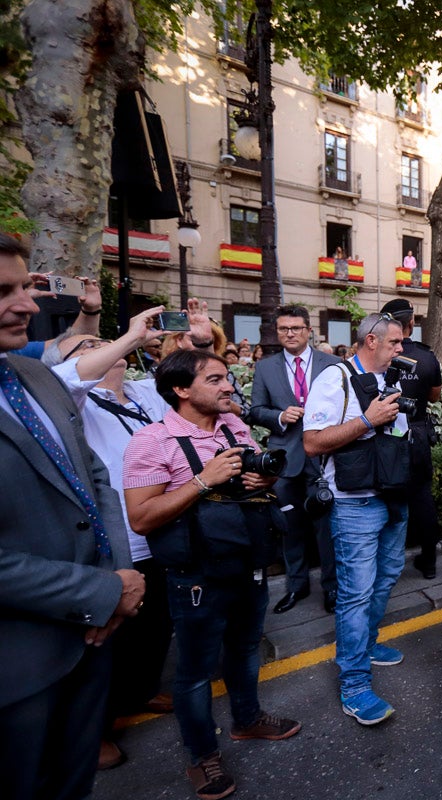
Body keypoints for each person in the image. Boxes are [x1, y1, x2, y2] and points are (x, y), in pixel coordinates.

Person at [0, 234, 145, 800]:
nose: (28, 306)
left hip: (91, 643)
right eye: (3, 292)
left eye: (24, 288)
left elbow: (96, 481)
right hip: (17, 670)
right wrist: (99, 590)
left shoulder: (35, 376)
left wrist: (120, 582)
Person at [124, 349, 301, 800]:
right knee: (196, 671)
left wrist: (266, 482)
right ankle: (203, 756)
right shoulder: (152, 441)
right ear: (181, 390)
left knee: (244, 652)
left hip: (247, 563)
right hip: (195, 575)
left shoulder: (234, 428)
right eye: (216, 379)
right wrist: (203, 480)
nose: (228, 386)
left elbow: (266, 477)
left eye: (227, 377)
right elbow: (141, 518)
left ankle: (247, 720)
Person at [52, 309, 177, 770]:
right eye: (83, 348)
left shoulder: (146, 393)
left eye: (98, 343)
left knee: (156, 625)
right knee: (105, 639)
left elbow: (186, 383)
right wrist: (122, 336)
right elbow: (69, 377)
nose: (97, 350)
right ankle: (93, 731)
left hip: (163, 527)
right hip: (114, 541)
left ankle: (140, 692)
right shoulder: (69, 401)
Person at [303, 312, 412, 725]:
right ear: (371, 340)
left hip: (393, 495)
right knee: (356, 593)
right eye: (395, 342)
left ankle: (365, 644)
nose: (402, 349)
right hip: (355, 504)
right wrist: (368, 420)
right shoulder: (334, 379)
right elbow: (312, 443)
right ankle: (354, 684)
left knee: (386, 577)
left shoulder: (390, 379)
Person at [247, 306, 341, 614]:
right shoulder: (265, 367)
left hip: (324, 459)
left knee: (326, 530)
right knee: (290, 528)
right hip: (285, 461)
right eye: (284, 329)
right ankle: (296, 586)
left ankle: (332, 588)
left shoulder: (333, 364)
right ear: (277, 332)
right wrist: (279, 416)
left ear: (308, 330)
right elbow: (255, 410)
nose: (290, 333)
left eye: (296, 328)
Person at [380, 298, 442, 580]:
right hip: (416, 432)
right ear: (412, 323)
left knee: (386, 499)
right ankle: (429, 562)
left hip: (385, 434)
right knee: (422, 498)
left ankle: (386, 567)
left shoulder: (379, 354)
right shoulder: (427, 356)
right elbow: (435, 395)